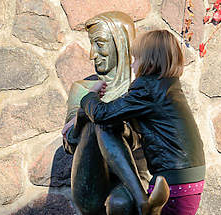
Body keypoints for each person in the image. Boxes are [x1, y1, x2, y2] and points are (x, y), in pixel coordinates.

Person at [80, 30, 206, 215]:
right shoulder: (167, 85)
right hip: (190, 177)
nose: (132, 64)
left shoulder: (146, 87)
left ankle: (142, 201)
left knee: (104, 126)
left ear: (149, 61)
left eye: (136, 58)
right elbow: (124, 110)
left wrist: (89, 96)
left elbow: (102, 115)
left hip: (172, 181)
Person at [62, 12, 165, 215]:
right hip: (91, 182)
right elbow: (70, 143)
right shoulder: (83, 89)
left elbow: (153, 139)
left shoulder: (140, 88)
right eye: (92, 45)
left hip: (135, 176)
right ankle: (142, 201)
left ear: (121, 43)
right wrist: (85, 111)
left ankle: (140, 199)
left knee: (120, 203)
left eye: (100, 44)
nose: (92, 53)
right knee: (96, 120)